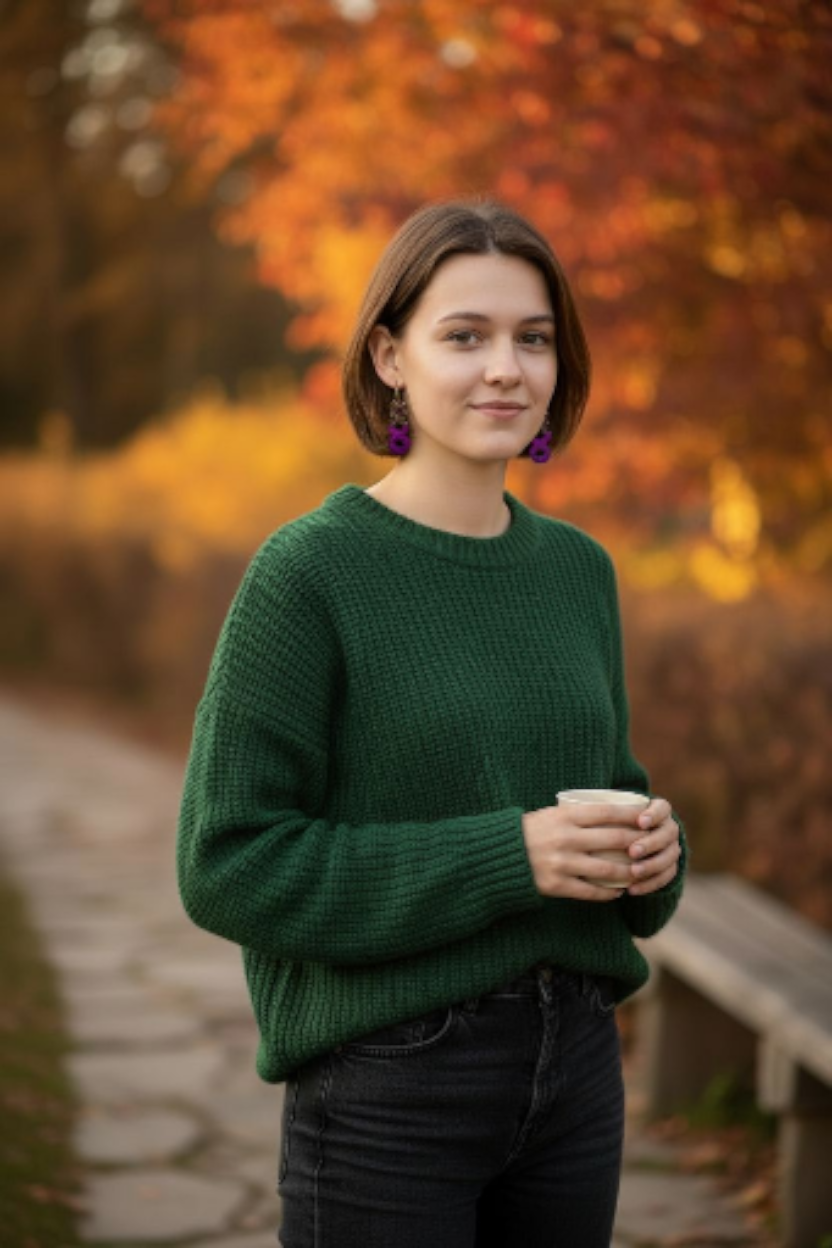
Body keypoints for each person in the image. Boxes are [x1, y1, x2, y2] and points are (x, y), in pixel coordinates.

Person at [177, 198, 685, 1248]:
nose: (506, 367)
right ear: (389, 356)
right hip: (388, 1086)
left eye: (532, 339)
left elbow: (610, 786)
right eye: (465, 335)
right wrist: (512, 856)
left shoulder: (578, 571)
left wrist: (652, 854)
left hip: (578, 1071)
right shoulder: (309, 573)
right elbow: (228, 861)